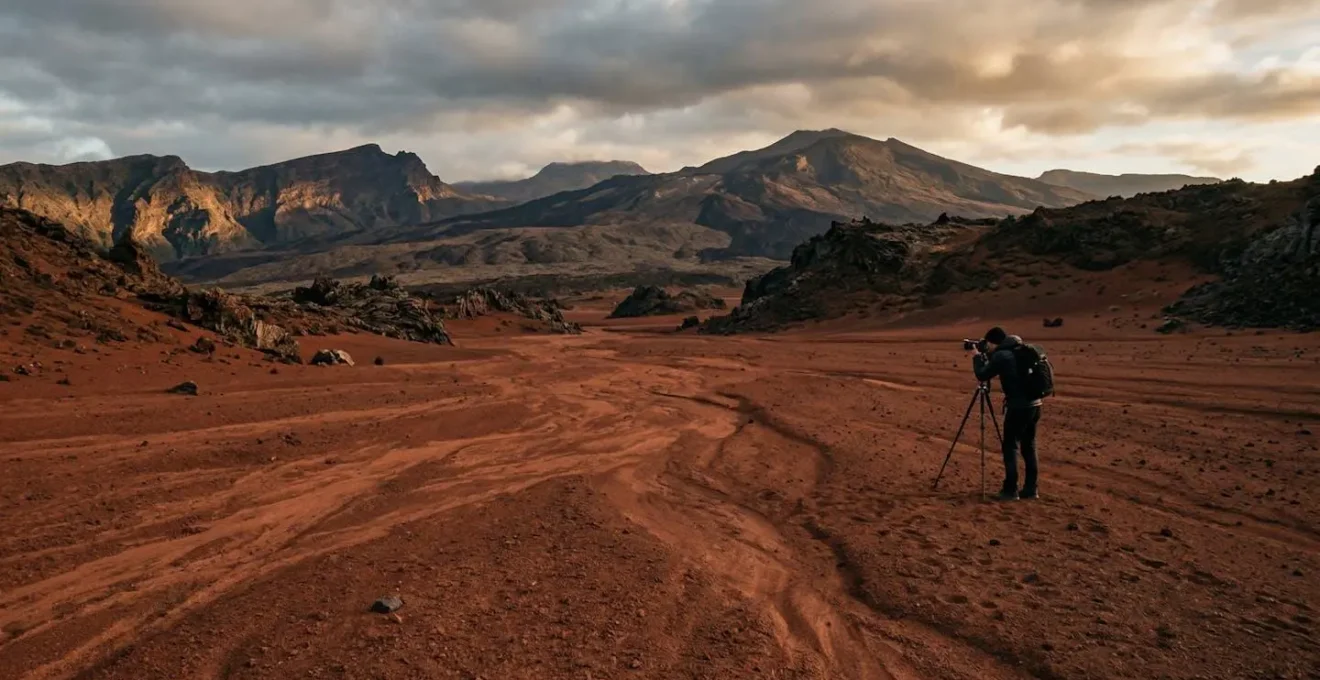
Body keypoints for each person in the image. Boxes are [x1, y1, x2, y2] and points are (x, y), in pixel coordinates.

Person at [972, 327, 1042, 501]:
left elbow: (982, 374)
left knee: (1010, 447)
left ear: (993, 342)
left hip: (1018, 407)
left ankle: (1010, 490)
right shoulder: (1020, 349)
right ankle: (1031, 489)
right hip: (1035, 405)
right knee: (1029, 446)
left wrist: (976, 357)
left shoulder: (1002, 356)